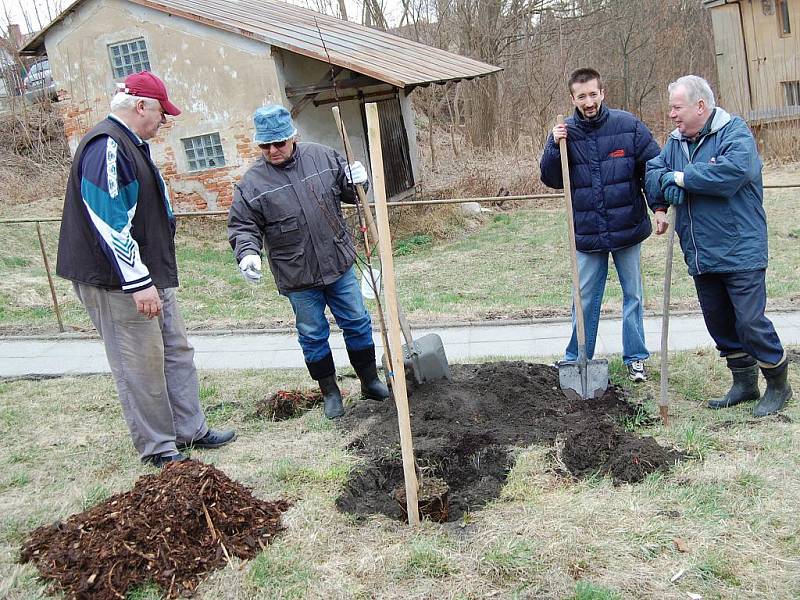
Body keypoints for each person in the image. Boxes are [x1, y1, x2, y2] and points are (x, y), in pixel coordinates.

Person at [56, 71, 236, 467]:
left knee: (176, 350)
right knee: (140, 360)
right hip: (116, 283)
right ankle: (159, 448)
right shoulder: (106, 145)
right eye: (161, 112)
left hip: (150, 274)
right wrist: (138, 282)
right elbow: (108, 218)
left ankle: (190, 429)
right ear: (140, 106)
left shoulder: (133, 145)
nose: (164, 121)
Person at [227, 104, 389, 419]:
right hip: (297, 274)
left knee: (357, 322)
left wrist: (359, 180)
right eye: (265, 145)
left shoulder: (323, 157)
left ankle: (369, 381)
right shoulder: (252, 184)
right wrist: (247, 252)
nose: (272, 150)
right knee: (313, 334)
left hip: (338, 262)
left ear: (293, 137)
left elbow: (352, 194)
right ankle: (330, 393)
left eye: (279, 143)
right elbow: (242, 226)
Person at [645, 75, 793, 417]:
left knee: (749, 323)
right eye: (671, 108)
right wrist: (662, 198)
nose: (672, 115)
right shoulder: (676, 142)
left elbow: (731, 174)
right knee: (720, 323)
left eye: (677, 107)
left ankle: (778, 383)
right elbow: (654, 171)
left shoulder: (734, 133)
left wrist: (682, 178)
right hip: (699, 251)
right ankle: (743, 383)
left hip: (740, 249)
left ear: (700, 105)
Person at [540, 67, 660, 382]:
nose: (589, 101)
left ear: (602, 92)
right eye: (582, 96)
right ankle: (576, 357)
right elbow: (551, 179)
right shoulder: (564, 133)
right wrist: (554, 146)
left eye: (593, 94)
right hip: (588, 230)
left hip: (627, 226)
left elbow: (653, 167)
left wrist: (658, 206)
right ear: (573, 98)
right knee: (583, 296)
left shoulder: (628, 126)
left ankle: (636, 357)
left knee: (633, 294)